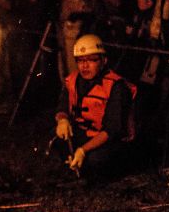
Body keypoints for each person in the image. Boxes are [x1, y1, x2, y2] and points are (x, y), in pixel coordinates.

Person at [54, 34, 135, 177]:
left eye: (92, 60)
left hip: (110, 139)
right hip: (86, 133)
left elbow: (112, 130)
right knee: (58, 142)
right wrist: (62, 120)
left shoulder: (116, 86)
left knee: (95, 160)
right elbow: (62, 107)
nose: (85, 66)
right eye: (80, 61)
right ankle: (78, 165)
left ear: (103, 61)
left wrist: (83, 150)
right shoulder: (73, 80)